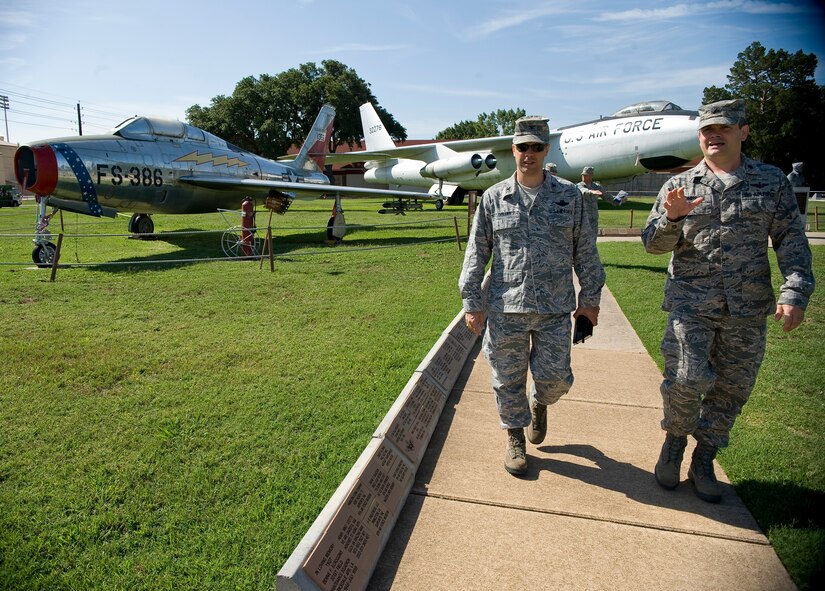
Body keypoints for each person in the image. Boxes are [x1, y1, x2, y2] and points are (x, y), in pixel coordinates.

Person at [642, 99, 814, 503]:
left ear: (743, 131)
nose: (713, 135)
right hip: (691, 306)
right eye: (706, 130)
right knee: (685, 380)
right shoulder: (678, 187)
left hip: (747, 309)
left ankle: (705, 457)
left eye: (723, 127)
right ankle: (675, 442)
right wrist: (672, 219)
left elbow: (790, 240)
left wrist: (795, 292)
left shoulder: (771, 182)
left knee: (732, 389)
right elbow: (651, 244)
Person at [459, 116, 605, 476]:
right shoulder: (495, 198)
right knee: (507, 379)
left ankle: (540, 401)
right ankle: (514, 437)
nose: (529, 154)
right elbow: (477, 252)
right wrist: (471, 302)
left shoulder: (570, 196)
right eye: (523, 147)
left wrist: (590, 299)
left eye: (536, 147)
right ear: (514, 150)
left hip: (554, 308)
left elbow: (585, 250)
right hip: (506, 307)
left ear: (546, 150)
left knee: (555, 379)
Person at [577, 166, 611, 232]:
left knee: (593, 239)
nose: (583, 176)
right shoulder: (579, 185)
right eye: (583, 175)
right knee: (582, 240)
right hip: (583, 218)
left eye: (586, 175)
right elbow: (583, 191)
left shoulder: (596, 186)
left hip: (594, 218)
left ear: (591, 176)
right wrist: (591, 191)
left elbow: (607, 196)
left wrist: (619, 200)